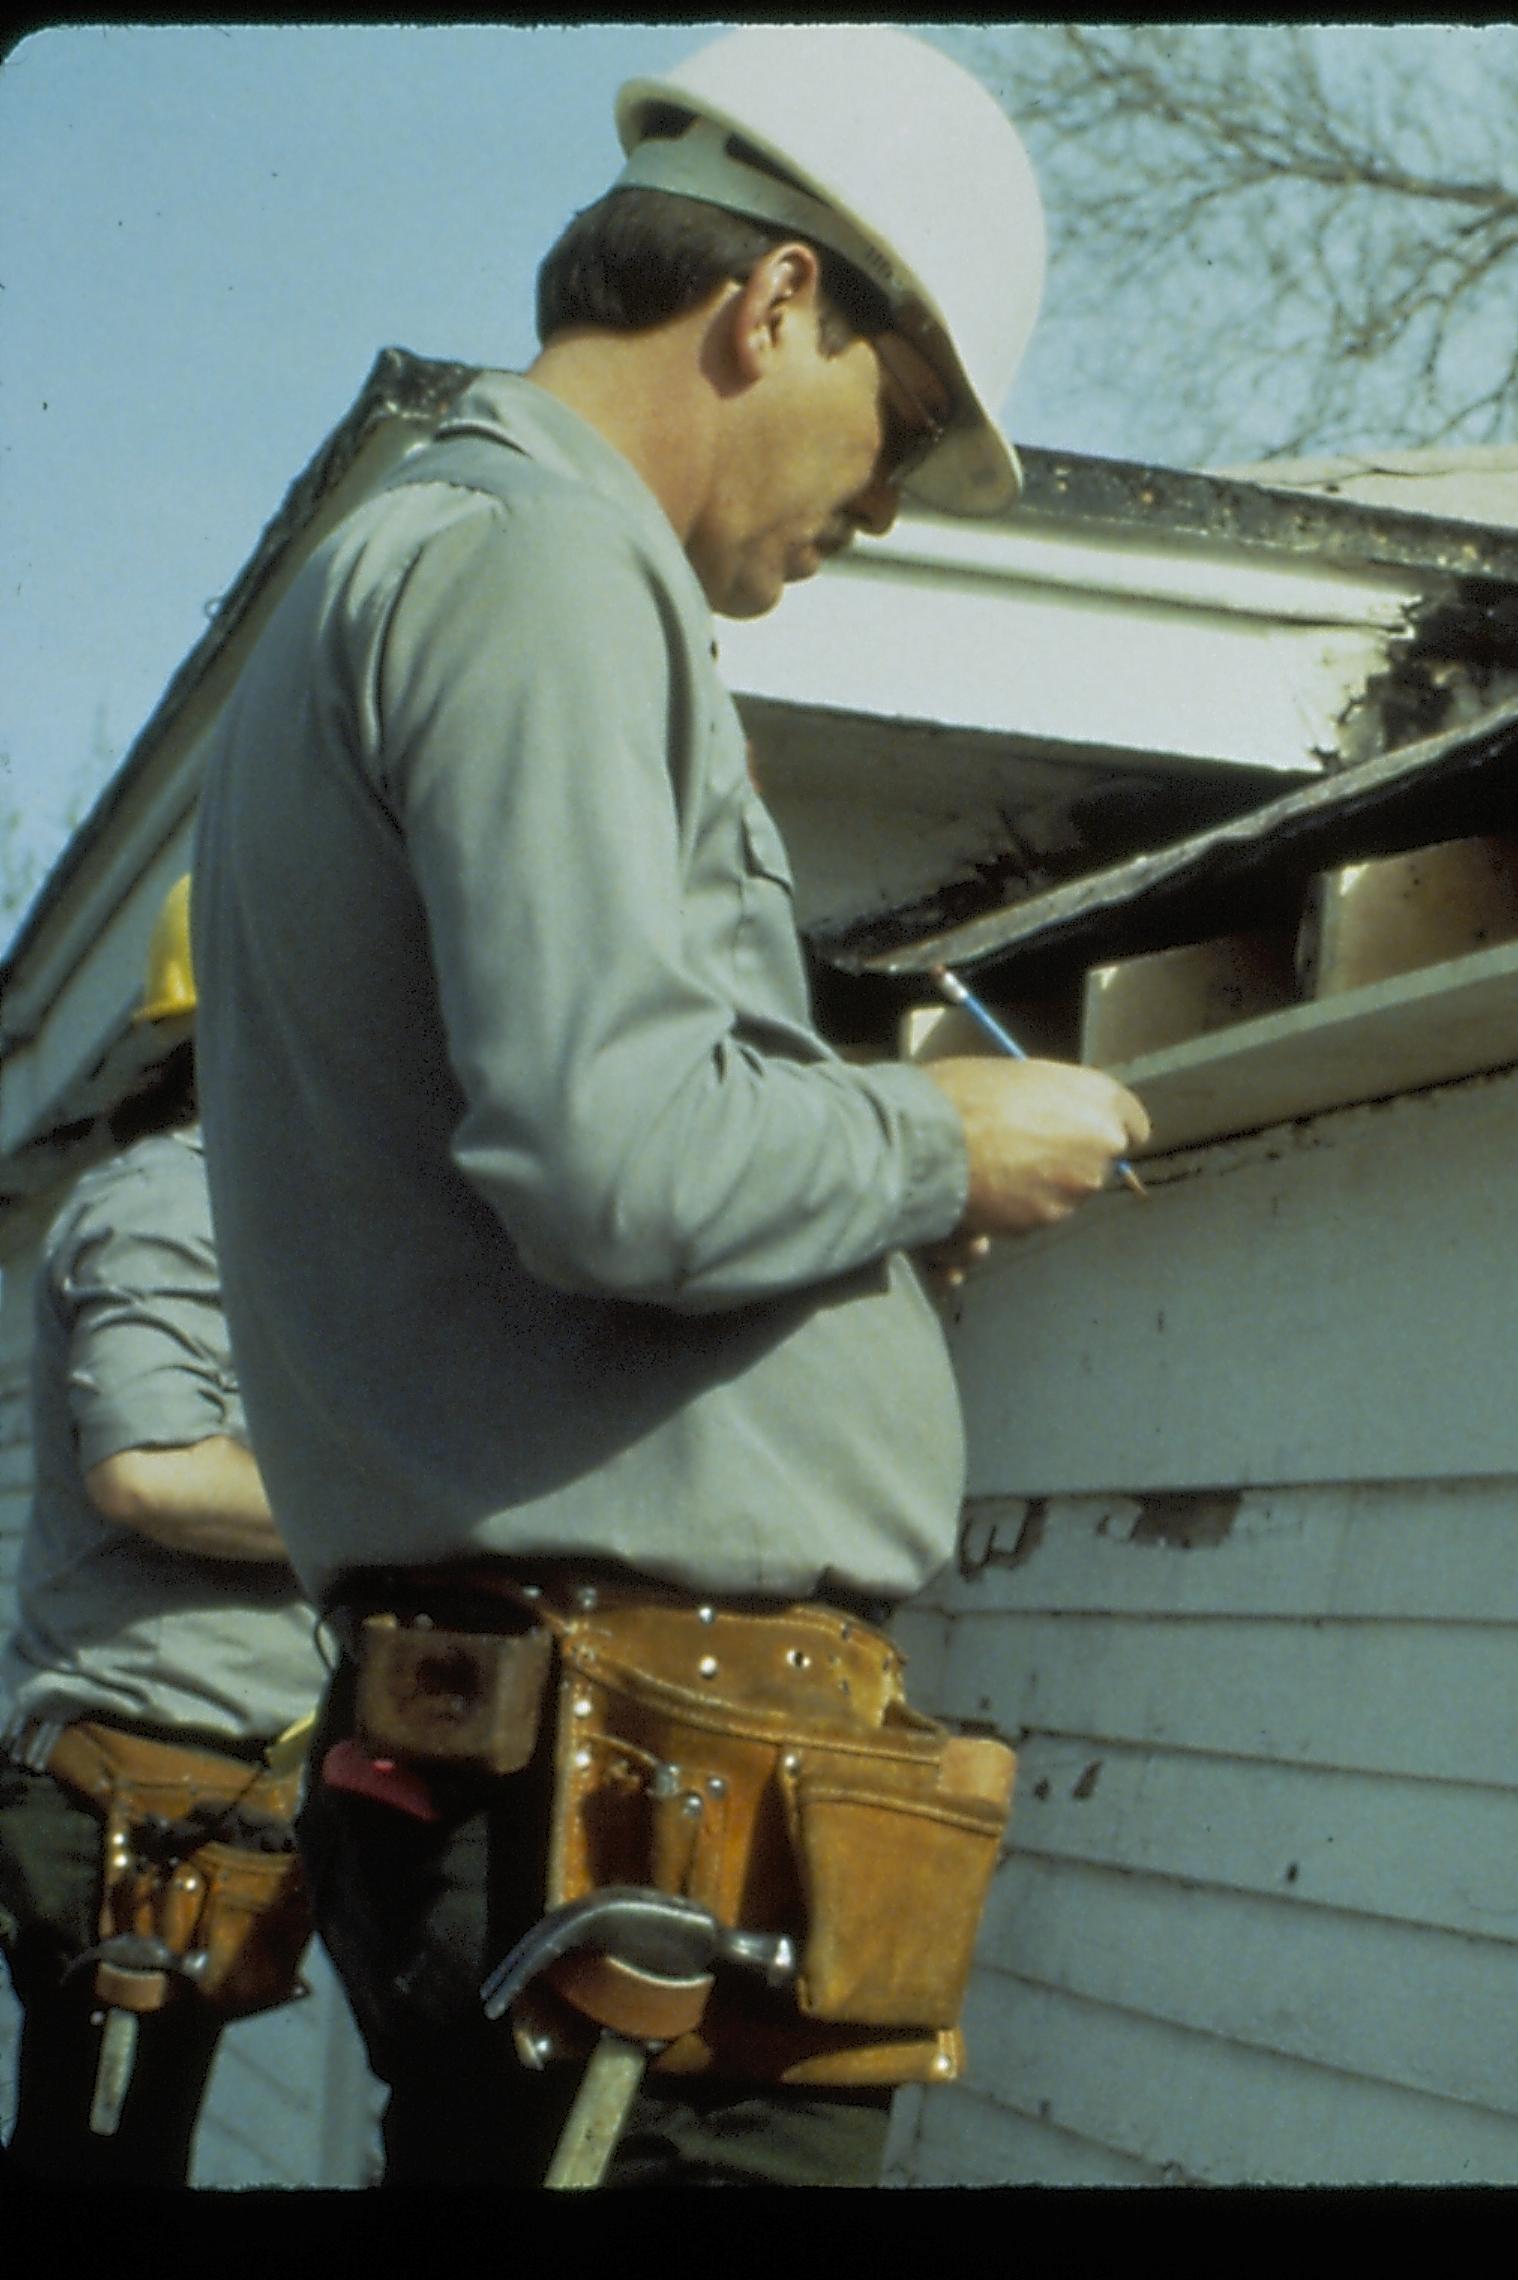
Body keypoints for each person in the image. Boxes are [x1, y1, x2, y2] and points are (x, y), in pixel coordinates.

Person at [189, 25, 1147, 2187]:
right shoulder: (540, 559)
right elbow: (615, 1162)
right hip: (630, 1795)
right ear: (779, 300)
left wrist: (858, 1194)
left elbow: (591, 1126)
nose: (876, 512)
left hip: (609, 1781)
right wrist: (942, 1145)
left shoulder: (443, 552)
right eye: (894, 437)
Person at [0, 879, 325, 2185]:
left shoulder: (267, 1212)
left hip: (205, 1802)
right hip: (129, 1807)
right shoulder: (170, 1207)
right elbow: (151, 1471)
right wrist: (395, 1507)